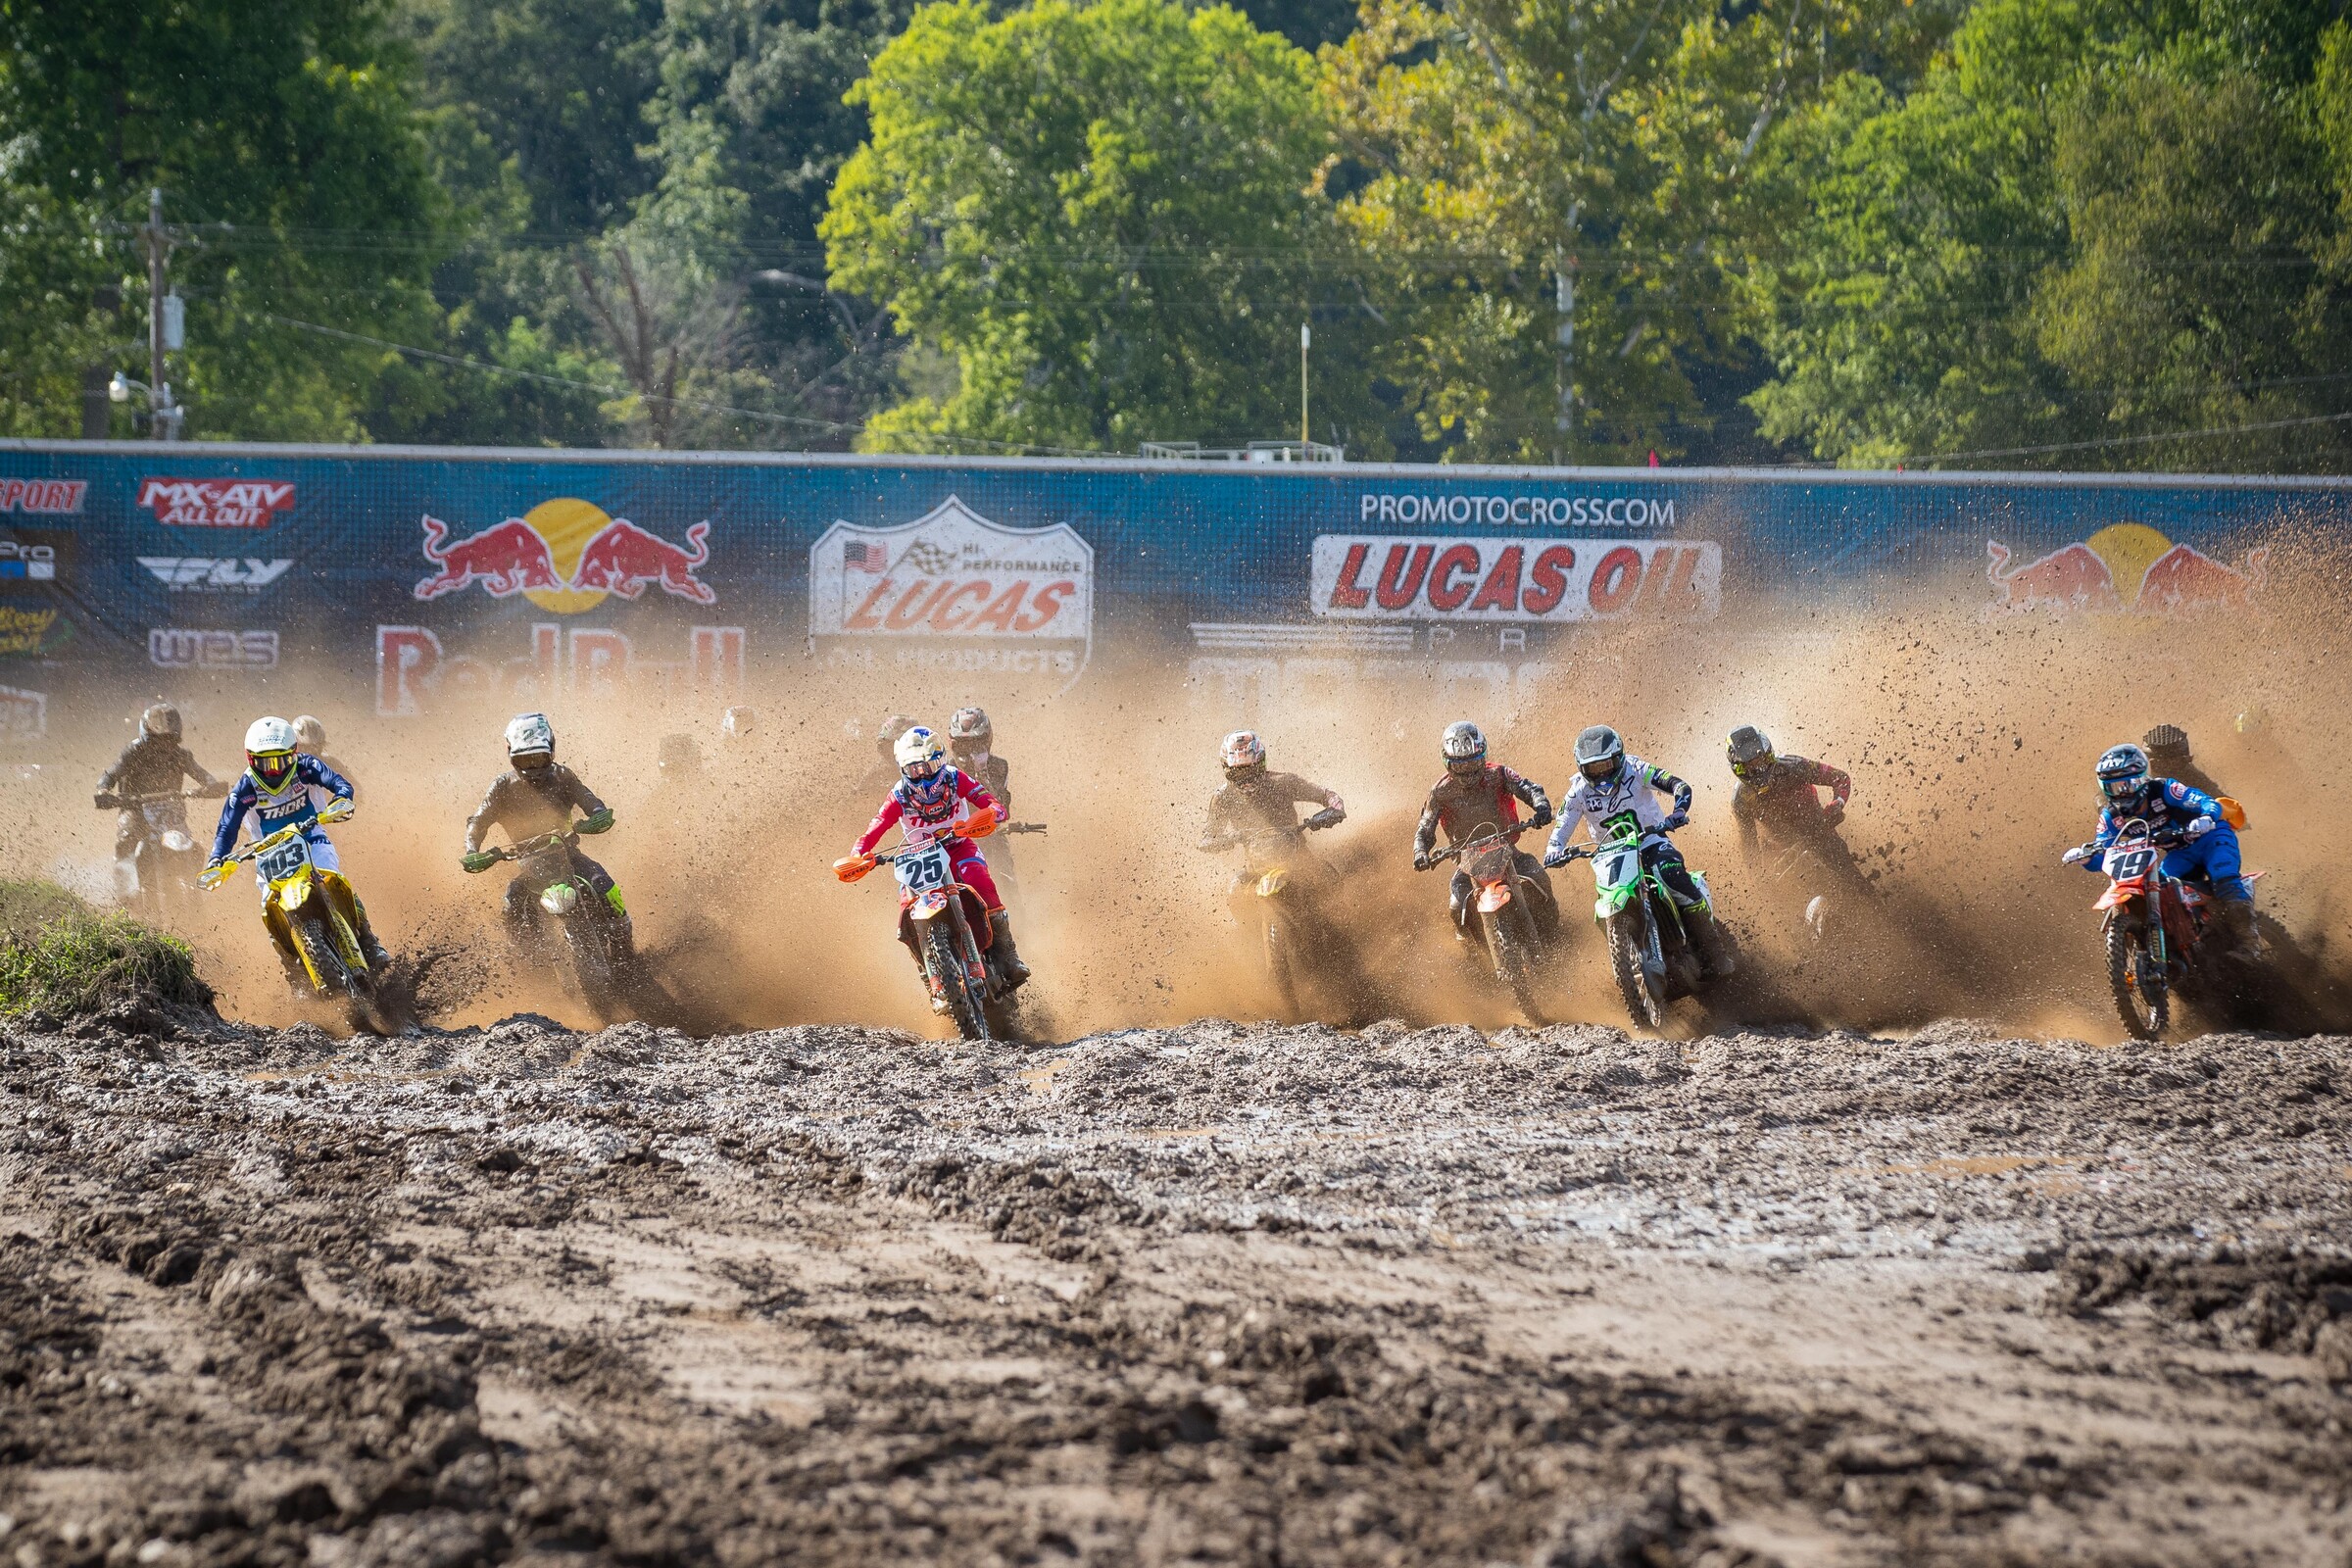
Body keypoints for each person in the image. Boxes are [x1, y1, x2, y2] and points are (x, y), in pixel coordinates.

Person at [842, 724, 1028, 993]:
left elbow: (991, 803)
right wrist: (858, 854)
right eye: (913, 769)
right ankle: (928, 974)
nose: (921, 775)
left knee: (980, 879)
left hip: (959, 846)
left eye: (927, 767)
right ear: (902, 768)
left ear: (939, 761)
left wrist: (991, 813)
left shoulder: (955, 778)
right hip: (919, 856)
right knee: (906, 906)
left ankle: (1008, 954)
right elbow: (877, 825)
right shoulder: (898, 794)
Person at [207, 715, 389, 989]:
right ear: (250, 759)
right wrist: (217, 860)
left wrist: (341, 799)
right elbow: (226, 829)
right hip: (269, 854)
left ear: (294, 753)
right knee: (269, 908)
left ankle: (368, 940)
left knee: (335, 879)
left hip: (313, 839)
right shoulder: (243, 789)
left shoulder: (308, 766)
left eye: (280, 761)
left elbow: (340, 783)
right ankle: (295, 974)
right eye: (263, 763)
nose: (272, 770)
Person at [1544, 724, 1735, 977]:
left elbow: (1678, 785)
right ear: (1582, 768)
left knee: (1672, 876)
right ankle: (1629, 956)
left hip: (1651, 842)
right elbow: (1562, 825)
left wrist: (1678, 811)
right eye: (1593, 769)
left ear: (1619, 757)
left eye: (1606, 765)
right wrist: (1554, 850)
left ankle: (1716, 952)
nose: (1601, 775)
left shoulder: (1637, 770)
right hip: (1612, 854)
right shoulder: (1577, 791)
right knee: (1605, 897)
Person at [459, 712, 629, 963]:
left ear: (552, 749)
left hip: (570, 857)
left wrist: (599, 815)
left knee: (605, 884)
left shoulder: (563, 776)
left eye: (540, 758)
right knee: (511, 904)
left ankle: (628, 954)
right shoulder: (502, 786)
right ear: (510, 754)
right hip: (530, 867)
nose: (534, 768)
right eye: (526, 760)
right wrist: (472, 850)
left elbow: (590, 801)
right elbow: (478, 821)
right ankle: (532, 968)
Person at [2067, 743, 2260, 960]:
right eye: (2112, 788)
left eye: (2126, 786)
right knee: (2163, 888)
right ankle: (2182, 942)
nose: (2121, 794)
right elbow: (2103, 850)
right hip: (2180, 853)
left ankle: (2249, 944)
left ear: (2141, 780)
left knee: (2223, 876)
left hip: (2211, 837)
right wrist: (2086, 857)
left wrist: (2206, 817)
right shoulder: (2111, 816)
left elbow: (2203, 800)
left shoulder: (2165, 789)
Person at [1410, 720, 1559, 946]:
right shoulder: (1439, 792)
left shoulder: (1499, 774)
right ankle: (1472, 949)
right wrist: (1420, 851)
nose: (1468, 772)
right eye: (1461, 766)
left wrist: (1541, 806)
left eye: (1472, 763)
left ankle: (1555, 933)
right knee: (1456, 904)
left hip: (1507, 851)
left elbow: (1529, 788)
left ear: (1482, 756)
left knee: (1539, 877)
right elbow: (1425, 826)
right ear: (1448, 763)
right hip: (1467, 861)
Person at [96, 703, 226, 895]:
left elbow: (201, 774)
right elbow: (111, 774)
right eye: (158, 741)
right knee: (127, 838)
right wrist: (103, 791)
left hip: (169, 809)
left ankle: (193, 886)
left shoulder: (181, 755)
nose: (162, 747)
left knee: (192, 847)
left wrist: (211, 785)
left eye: (168, 740)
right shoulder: (132, 752)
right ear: (147, 736)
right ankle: (125, 895)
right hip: (134, 808)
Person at [1725, 725, 1870, 893]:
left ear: (1768, 754)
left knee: (1854, 881)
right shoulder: (1741, 801)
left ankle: (1880, 910)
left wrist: (1837, 804)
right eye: (1749, 766)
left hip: (1820, 831)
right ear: (1737, 768)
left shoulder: (1794, 766)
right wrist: (1758, 879)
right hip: (1786, 852)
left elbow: (1840, 778)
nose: (1758, 769)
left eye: (1760, 760)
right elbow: (1750, 845)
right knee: (1782, 899)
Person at [2140, 723, 2224, 800]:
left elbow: (2218, 799)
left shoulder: (2192, 778)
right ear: (2155, 763)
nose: (2186, 762)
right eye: (2179, 760)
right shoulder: (2139, 784)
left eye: (2184, 759)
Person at [858, 713, 921, 798]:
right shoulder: (878, 773)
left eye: (890, 744)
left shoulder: (931, 767)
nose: (885, 749)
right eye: (884, 744)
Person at [290, 714, 352, 790]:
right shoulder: (285, 767)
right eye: (305, 747)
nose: (311, 752)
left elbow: (354, 788)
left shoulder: (332, 763)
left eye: (316, 747)